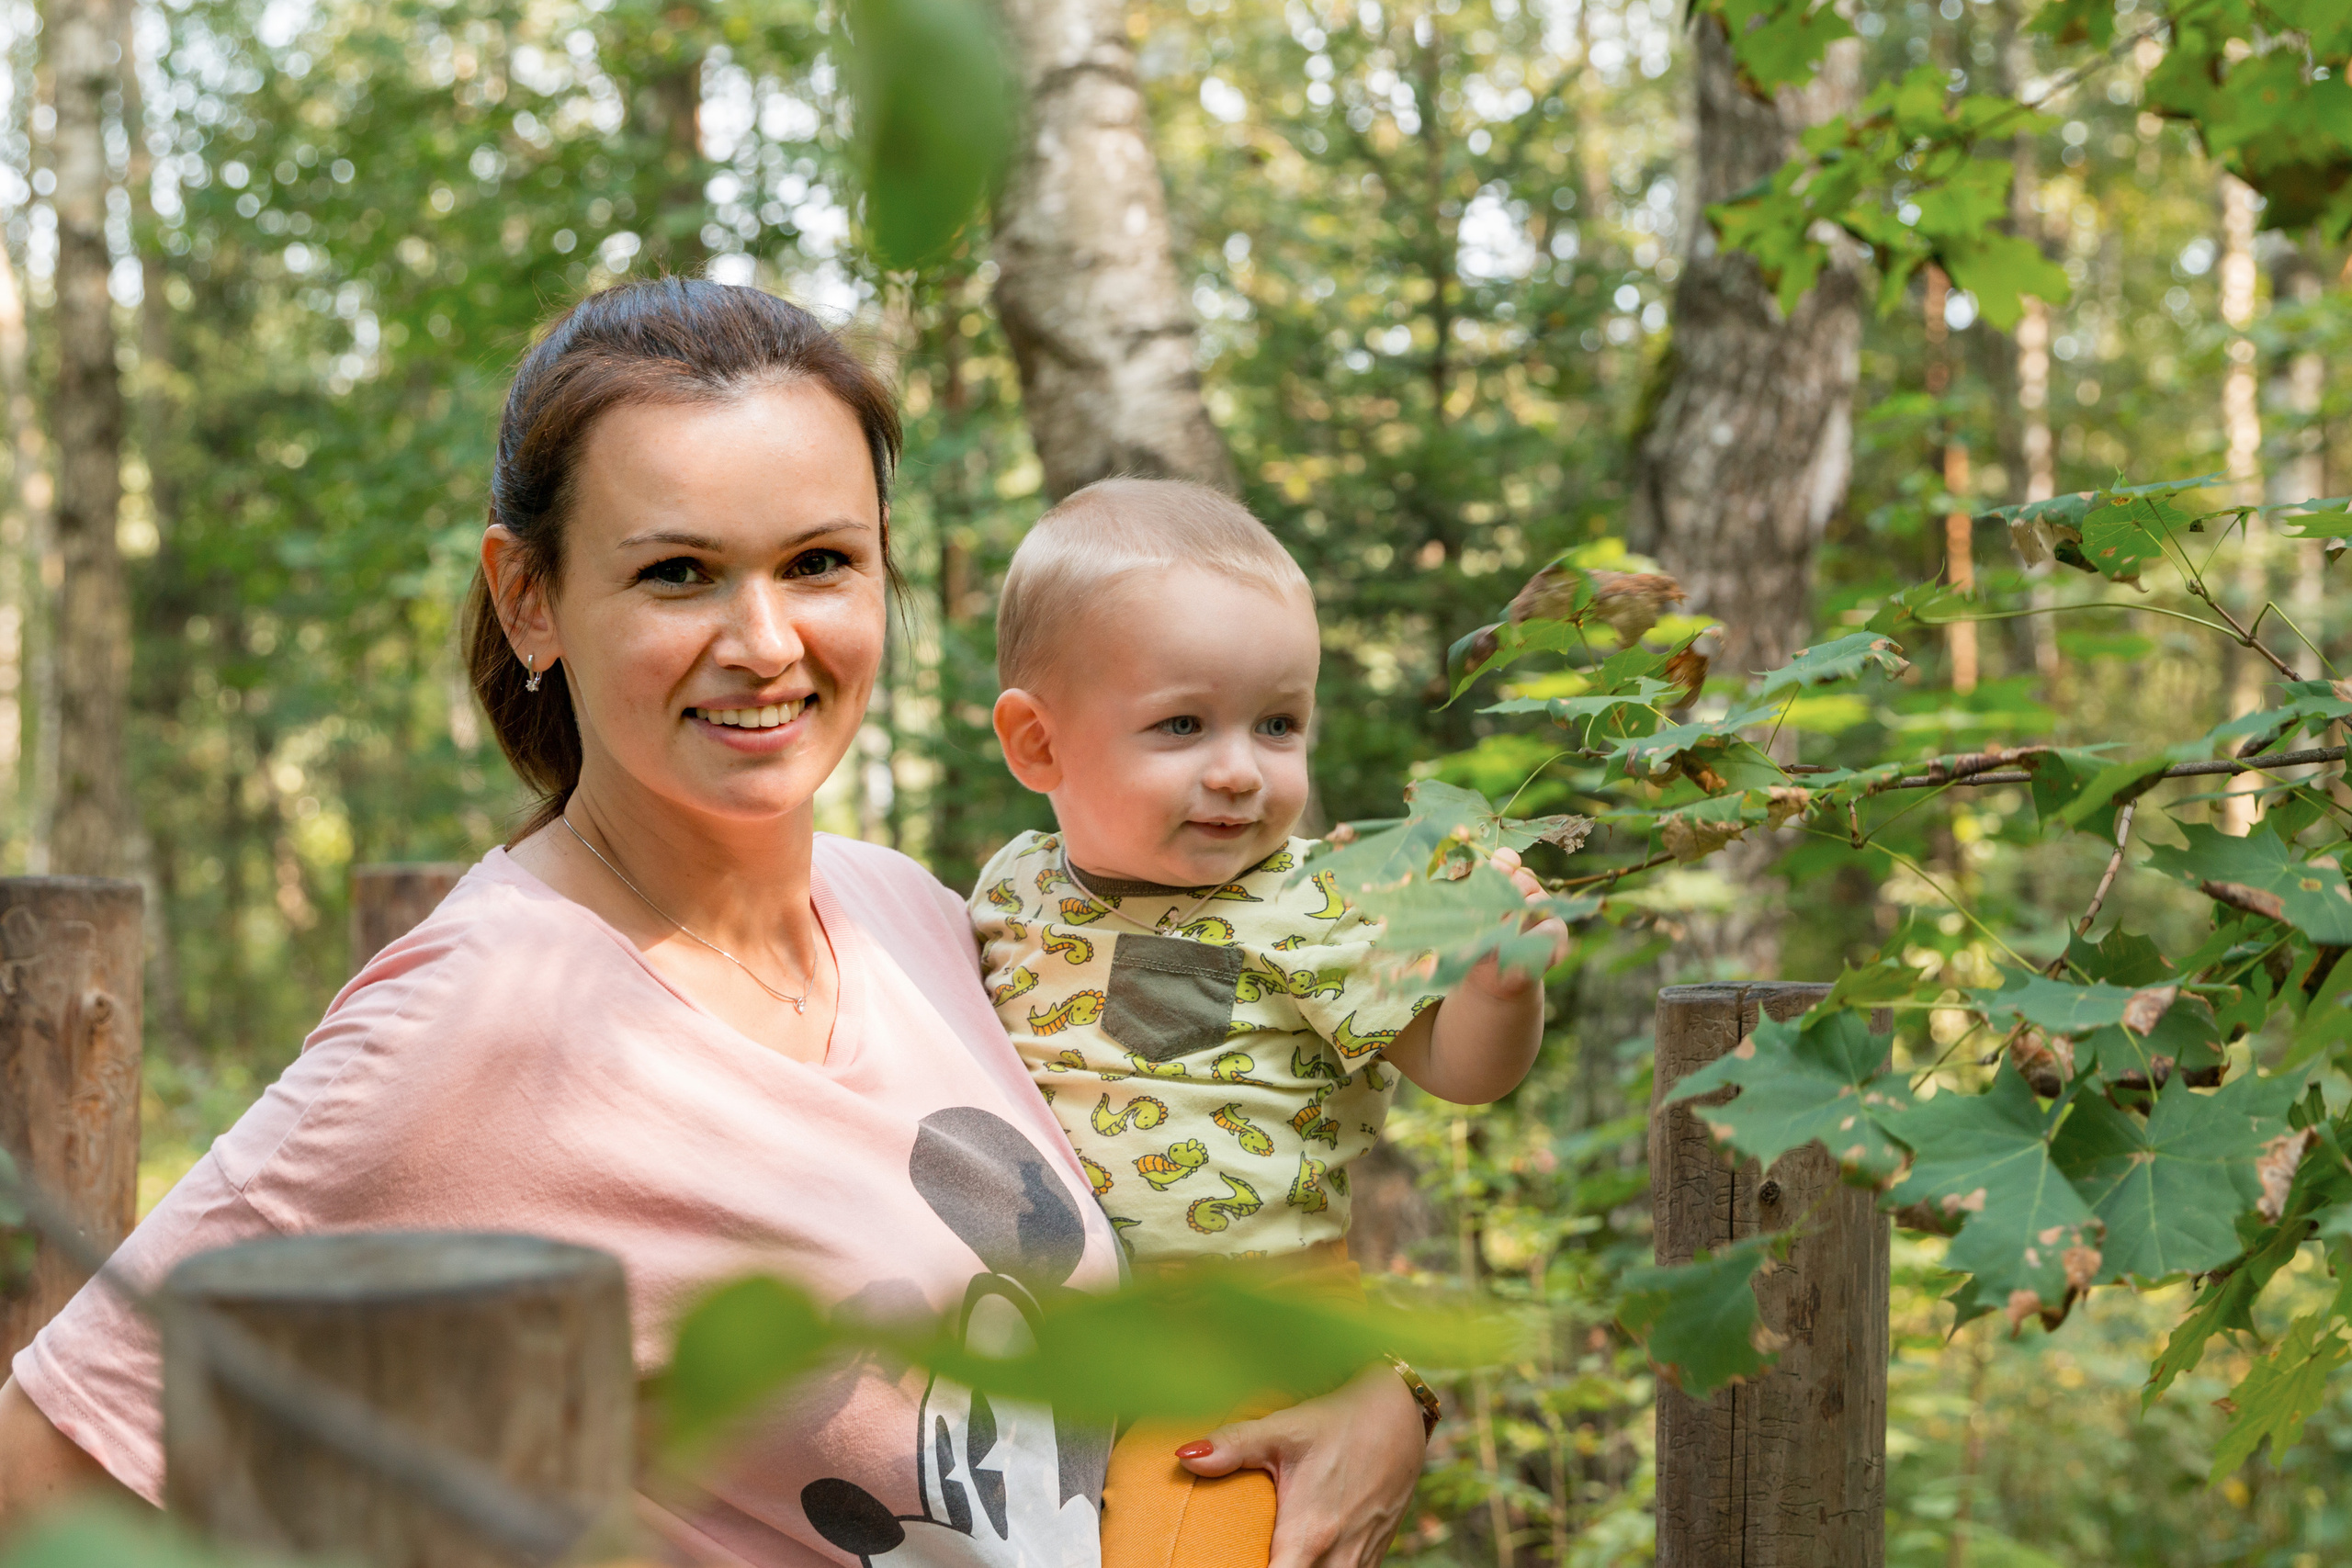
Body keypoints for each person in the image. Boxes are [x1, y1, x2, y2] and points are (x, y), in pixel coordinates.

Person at [0, 280, 1429, 1567]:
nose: (764, 641)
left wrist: (1377, 1393)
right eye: (678, 572)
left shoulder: (922, 917)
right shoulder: (473, 1016)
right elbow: (48, 1477)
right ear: (531, 598)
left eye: (818, 561)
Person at [971, 479, 1566, 1565]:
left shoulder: (1317, 903)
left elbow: (1457, 1069)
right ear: (1037, 745)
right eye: (1182, 724)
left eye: (1278, 723)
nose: (1241, 769)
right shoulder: (1010, 890)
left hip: (1240, 1335)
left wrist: (1500, 985)